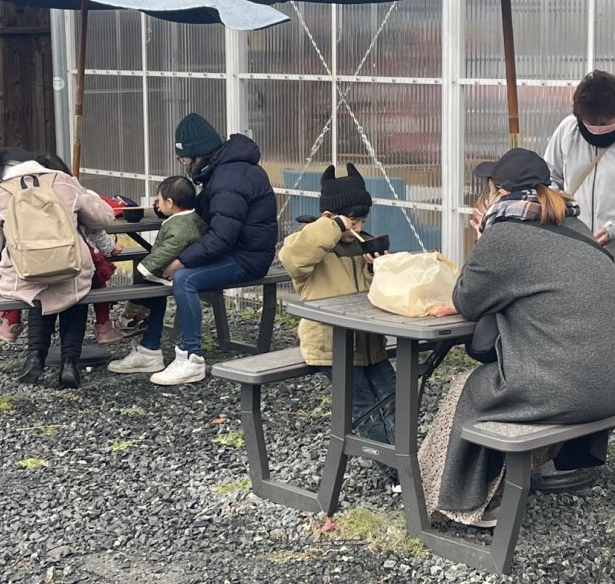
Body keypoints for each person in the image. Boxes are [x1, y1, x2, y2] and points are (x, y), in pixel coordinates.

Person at [419, 148, 615, 527]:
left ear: (500, 193)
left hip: (573, 389)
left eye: (488, 189)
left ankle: (456, 503)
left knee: (470, 389)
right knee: (529, 378)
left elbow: (466, 300)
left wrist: (485, 237)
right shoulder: (576, 227)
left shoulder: (504, 236)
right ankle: (519, 476)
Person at [278, 164, 398, 487]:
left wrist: (379, 268)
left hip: (369, 344)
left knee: (396, 399)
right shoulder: (309, 246)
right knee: (364, 409)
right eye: (352, 222)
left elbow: (380, 294)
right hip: (330, 347)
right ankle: (397, 473)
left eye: (362, 222)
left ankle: (407, 462)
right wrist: (332, 227)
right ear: (330, 216)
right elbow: (291, 258)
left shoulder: (363, 245)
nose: (358, 228)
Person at [149, 113, 277, 386]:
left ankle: (191, 357)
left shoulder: (228, 178)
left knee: (184, 278)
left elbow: (222, 238)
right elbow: (207, 213)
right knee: (163, 269)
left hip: (247, 259)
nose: (184, 165)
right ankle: (148, 350)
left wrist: (181, 261)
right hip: (240, 251)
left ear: (198, 155)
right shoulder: (226, 170)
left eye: (184, 159)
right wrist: (169, 208)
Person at [0, 147, 115, 389]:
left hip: (24, 273)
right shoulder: (63, 181)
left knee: (39, 289)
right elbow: (102, 219)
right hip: (72, 266)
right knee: (73, 291)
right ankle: (70, 364)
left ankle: (35, 358)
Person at [0, 154, 124, 346]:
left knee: (19, 282)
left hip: (33, 260)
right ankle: (103, 324)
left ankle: (10, 323)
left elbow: (0, 240)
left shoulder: (21, 197)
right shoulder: (73, 191)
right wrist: (110, 248)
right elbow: (96, 229)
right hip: (77, 259)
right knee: (98, 281)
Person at [544, 70, 615, 249]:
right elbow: (549, 177)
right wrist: (559, 212)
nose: (597, 128)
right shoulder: (568, 129)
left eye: (605, 123)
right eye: (590, 123)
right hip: (572, 238)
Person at [108, 176, 207, 374]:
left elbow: (168, 250)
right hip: (188, 268)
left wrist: (146, 267)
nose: (156, 204)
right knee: (152, 289)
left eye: (159, 200)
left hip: (174, 273)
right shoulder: (192, 218)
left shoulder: (179, 225)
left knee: (144, 281)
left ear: (170, 203)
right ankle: (148, 346)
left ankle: (132, 324)